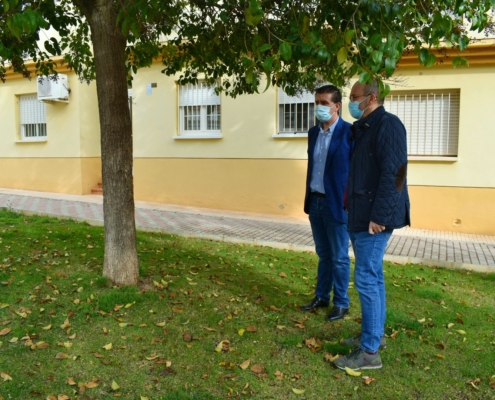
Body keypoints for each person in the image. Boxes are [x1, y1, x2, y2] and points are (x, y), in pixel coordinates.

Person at [334, 80, 410, 370]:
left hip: (372, 219)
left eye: (355, 97)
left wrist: (380, 216)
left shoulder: (387, 125)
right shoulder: (364, 128)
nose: (351, 102)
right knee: (373, 276)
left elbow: (396, 174)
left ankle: (369, 353)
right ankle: (374, 336)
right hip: (359, 213)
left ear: (372, 97)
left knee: (365, 278)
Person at [299, 85, 353, 322]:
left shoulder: (350, 133)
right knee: (323, 254)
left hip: (337, 205)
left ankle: (341, 303)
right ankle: (322, 296)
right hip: (316, 202)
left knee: (340, 256)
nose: (319, 107)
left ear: (337, 106)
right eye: (317, 102)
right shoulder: (313, 133)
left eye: (324, 103)